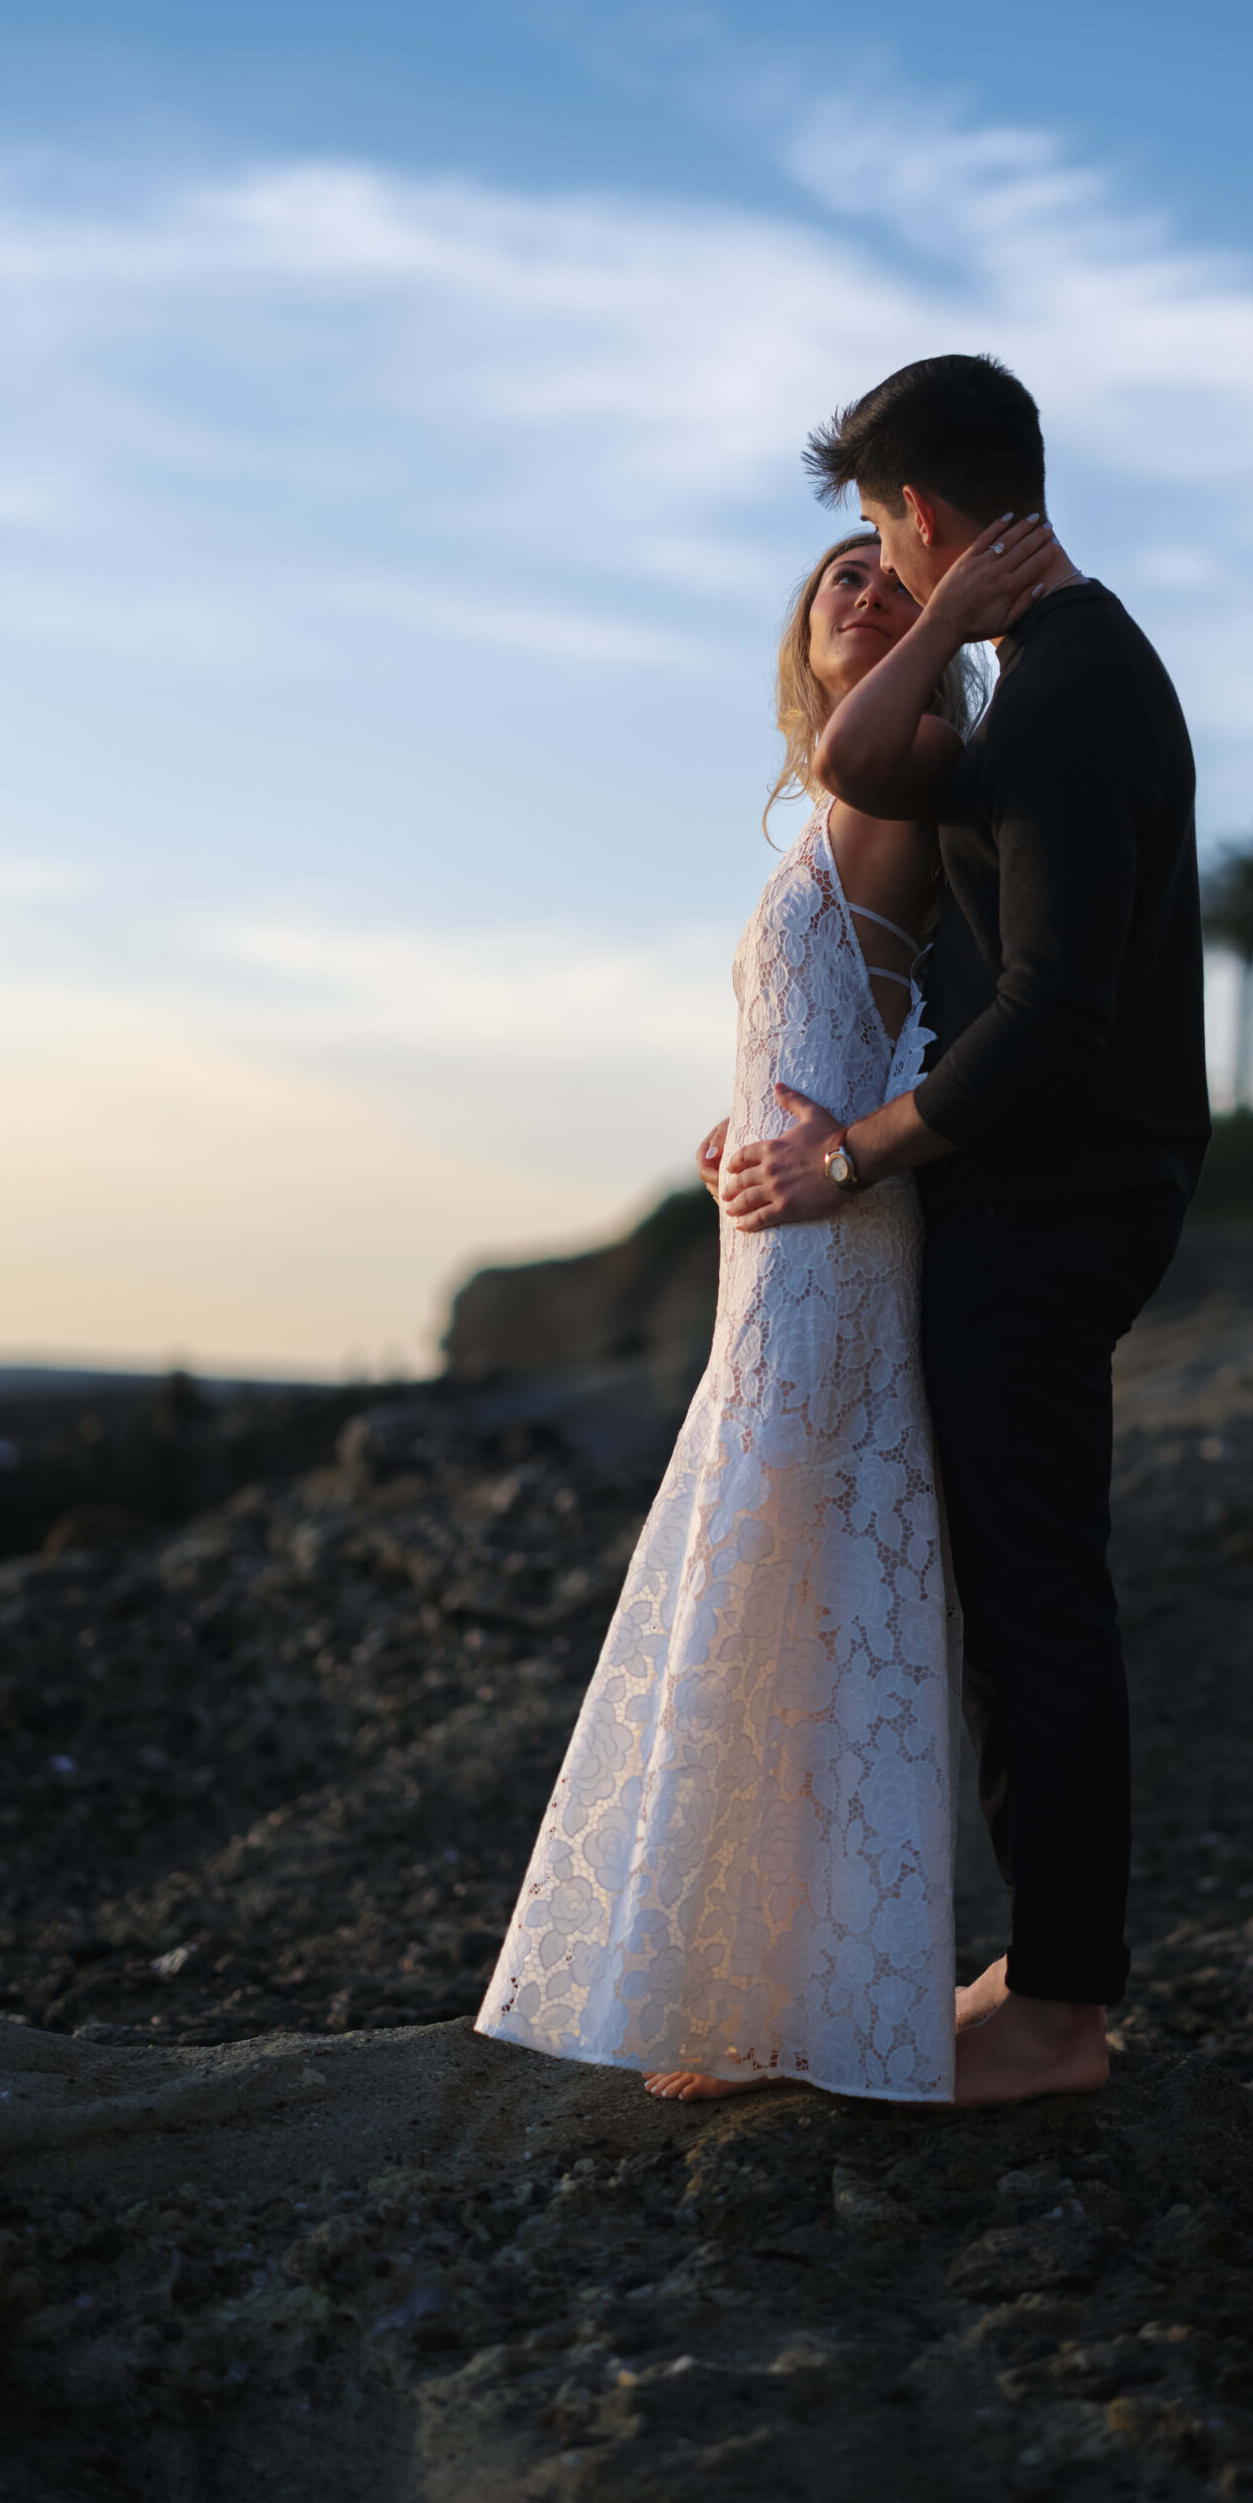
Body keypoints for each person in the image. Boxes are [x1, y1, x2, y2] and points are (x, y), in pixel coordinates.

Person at [722, 354, 1210, 2107]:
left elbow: (1061, 1010)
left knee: (1032, 1604)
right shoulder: (1047, 677)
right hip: (1050, 1190)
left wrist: (853, 1154)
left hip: (1059, 1197)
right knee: (1019, 1596)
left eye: (875, 529)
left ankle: (1062, 2011)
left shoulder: (1073, 691)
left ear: (922, 515)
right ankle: (1044, 1969)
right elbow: (862, 759)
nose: (874, 561)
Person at [476, 531, 990, 2103]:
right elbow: (852, 1020)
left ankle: (781, 2004)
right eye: (838, 577)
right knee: (771, 1544)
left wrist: (950, 607)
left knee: (798, 1552)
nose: (864, 587)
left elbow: (927, 1014)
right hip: (778, 1237)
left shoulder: (905, 770)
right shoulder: (845, 807)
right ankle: (746, 1982)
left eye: (889, 571)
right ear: (797, 636)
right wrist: (736, 1129)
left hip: (838, 1235)